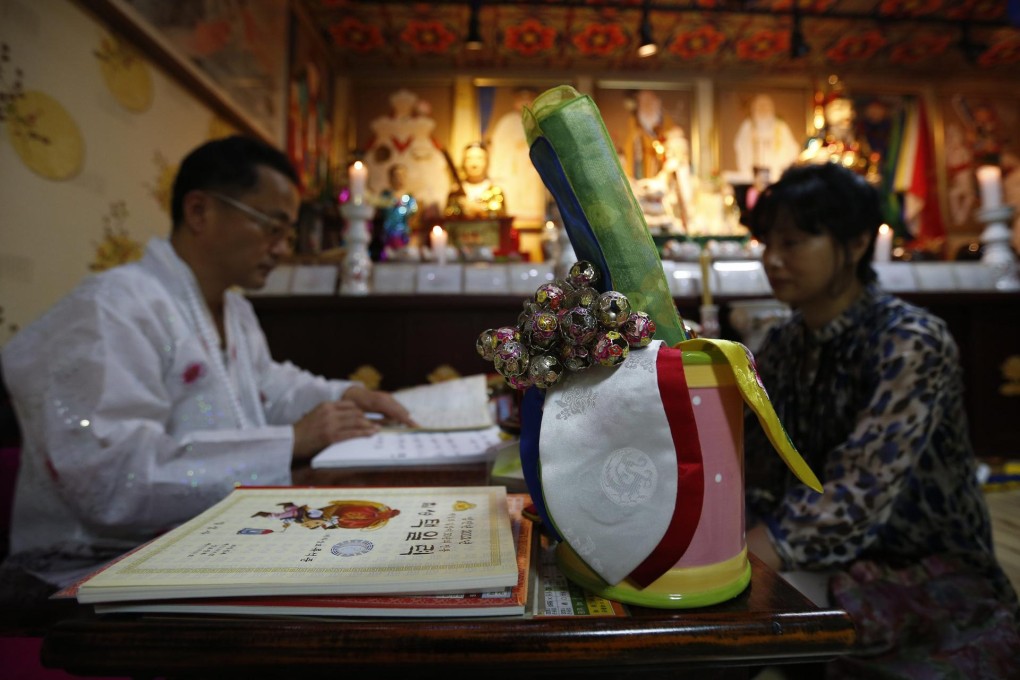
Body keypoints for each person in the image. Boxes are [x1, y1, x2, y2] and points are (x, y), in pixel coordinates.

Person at [0, 135, 416, 597]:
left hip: (204, 538)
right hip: (89, 567)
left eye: (288, 233)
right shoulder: (113, 307)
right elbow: (112, 480)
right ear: (199, 211)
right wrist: (291, 441)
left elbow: (271, 387)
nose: (282, 248)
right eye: (272, 227)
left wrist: (346, 394)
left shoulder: (234, 309)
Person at [742, 162, 1020, 678]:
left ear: (855, 244)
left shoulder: (910, 341)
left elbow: (859, 488)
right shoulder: (783, 344)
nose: (773, 259)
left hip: (921, 567)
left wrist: (756, 548)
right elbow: (755, 460)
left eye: (793, 242)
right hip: (816, 557)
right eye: (766, 243)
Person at [445, 142, 506, 219]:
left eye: (479, 158)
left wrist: (479, 210)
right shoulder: (456, 192)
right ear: (463, 162)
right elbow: (448, 217)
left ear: (487, 162)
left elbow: (501, 217)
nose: (474, 164)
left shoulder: (495, 191)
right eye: (469, 158)